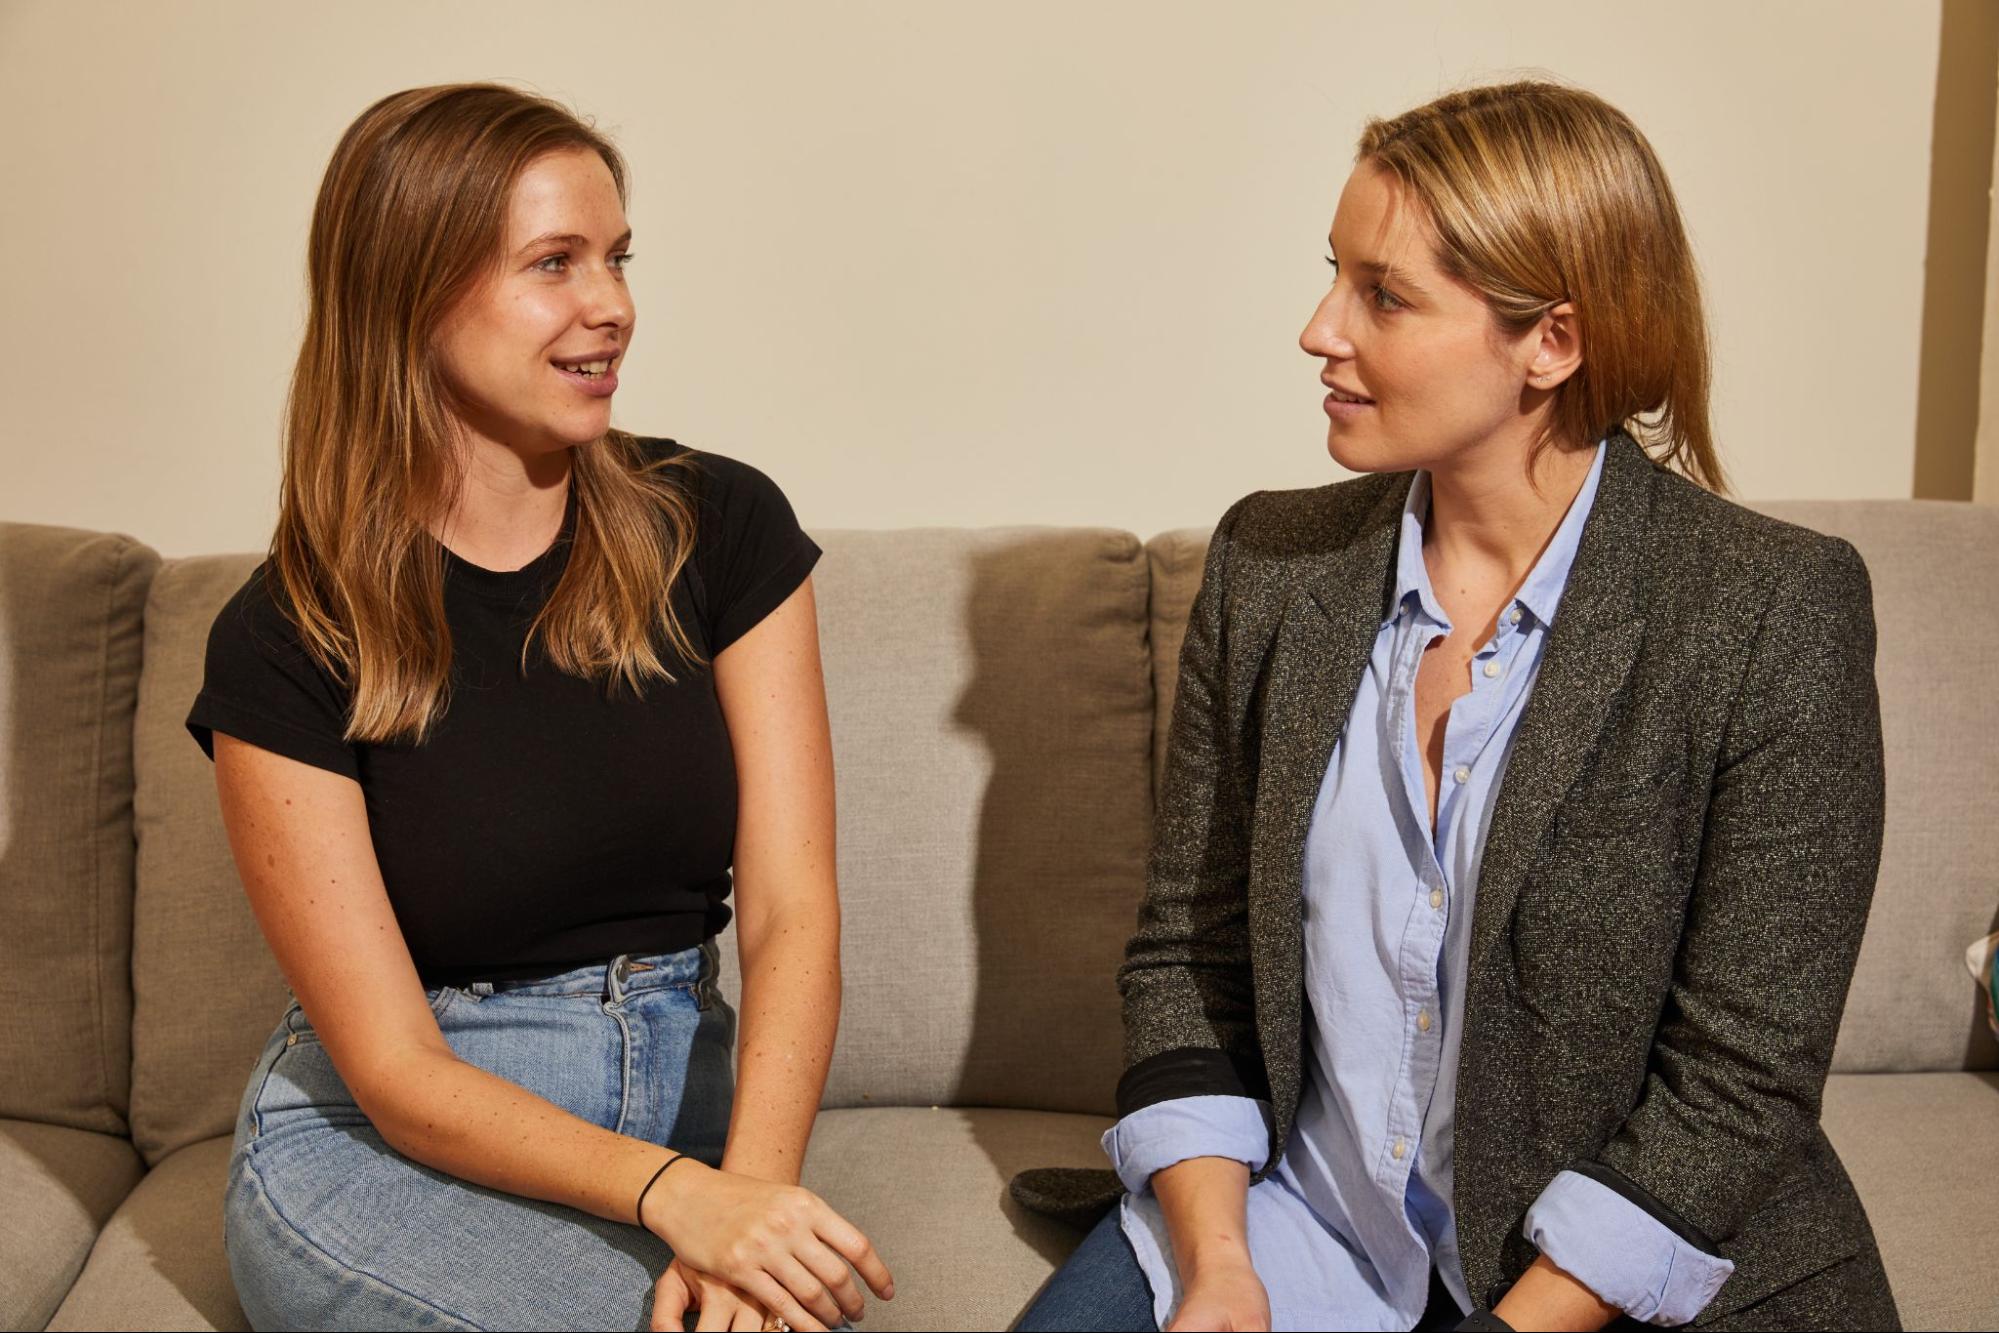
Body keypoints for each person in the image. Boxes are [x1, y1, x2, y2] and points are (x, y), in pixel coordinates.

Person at [1016, 81, 1898, 1332]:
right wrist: (1218, 1267)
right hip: (1306, 1229)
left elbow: (1737, 1087)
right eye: (1334, 275)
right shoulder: (1272, 567)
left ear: (1552, 340)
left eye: (1383, 295)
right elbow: (1189, 956)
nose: (1319, 329)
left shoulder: (1769, 613)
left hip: (1605, 1277)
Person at [189, 83, 891, 1333]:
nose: (611, 303)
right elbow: (398, 1076)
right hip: (389, 1143)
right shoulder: (284, 636)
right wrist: (683, 1196)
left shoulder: (718, 526)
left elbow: (791, 911)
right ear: (412, 293)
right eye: (553, 263)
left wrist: (754, 1191)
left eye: (617, 258)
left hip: (690, 1087)